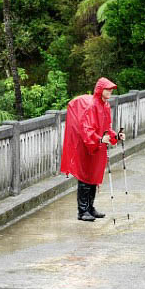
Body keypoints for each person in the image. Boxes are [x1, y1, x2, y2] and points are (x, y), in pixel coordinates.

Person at [60, 77, 123, 221]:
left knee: (94, 176)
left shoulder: (105, 106)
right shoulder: (92, 106)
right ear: (101, 90)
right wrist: (99, 139)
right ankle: (82, 211)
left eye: (111, 89)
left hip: (98, 146)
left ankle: (90, 208)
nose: (110, 92)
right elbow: (86, 129)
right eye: (107, 89)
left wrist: (116, 136)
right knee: (85, 176)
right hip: (87, 147)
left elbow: (106, 128)